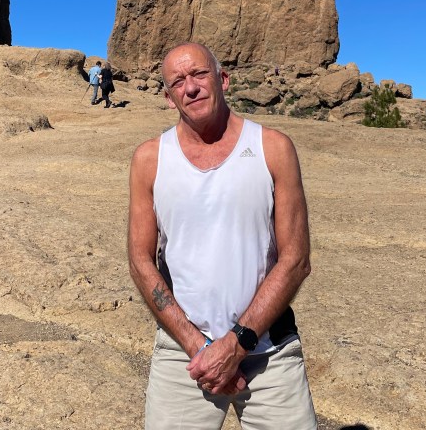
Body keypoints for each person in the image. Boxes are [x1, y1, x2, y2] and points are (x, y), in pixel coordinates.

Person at [127, 42, 317, 430]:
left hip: (269, 351)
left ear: (223, 79)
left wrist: (236, 344)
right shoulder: (149, 159)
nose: (190, 87)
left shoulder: (273, 148)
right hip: (184, 354)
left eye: (199, 74)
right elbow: (140, 260)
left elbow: (296, 259)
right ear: (168, 98)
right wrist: (201, 348)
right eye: (178, 81)